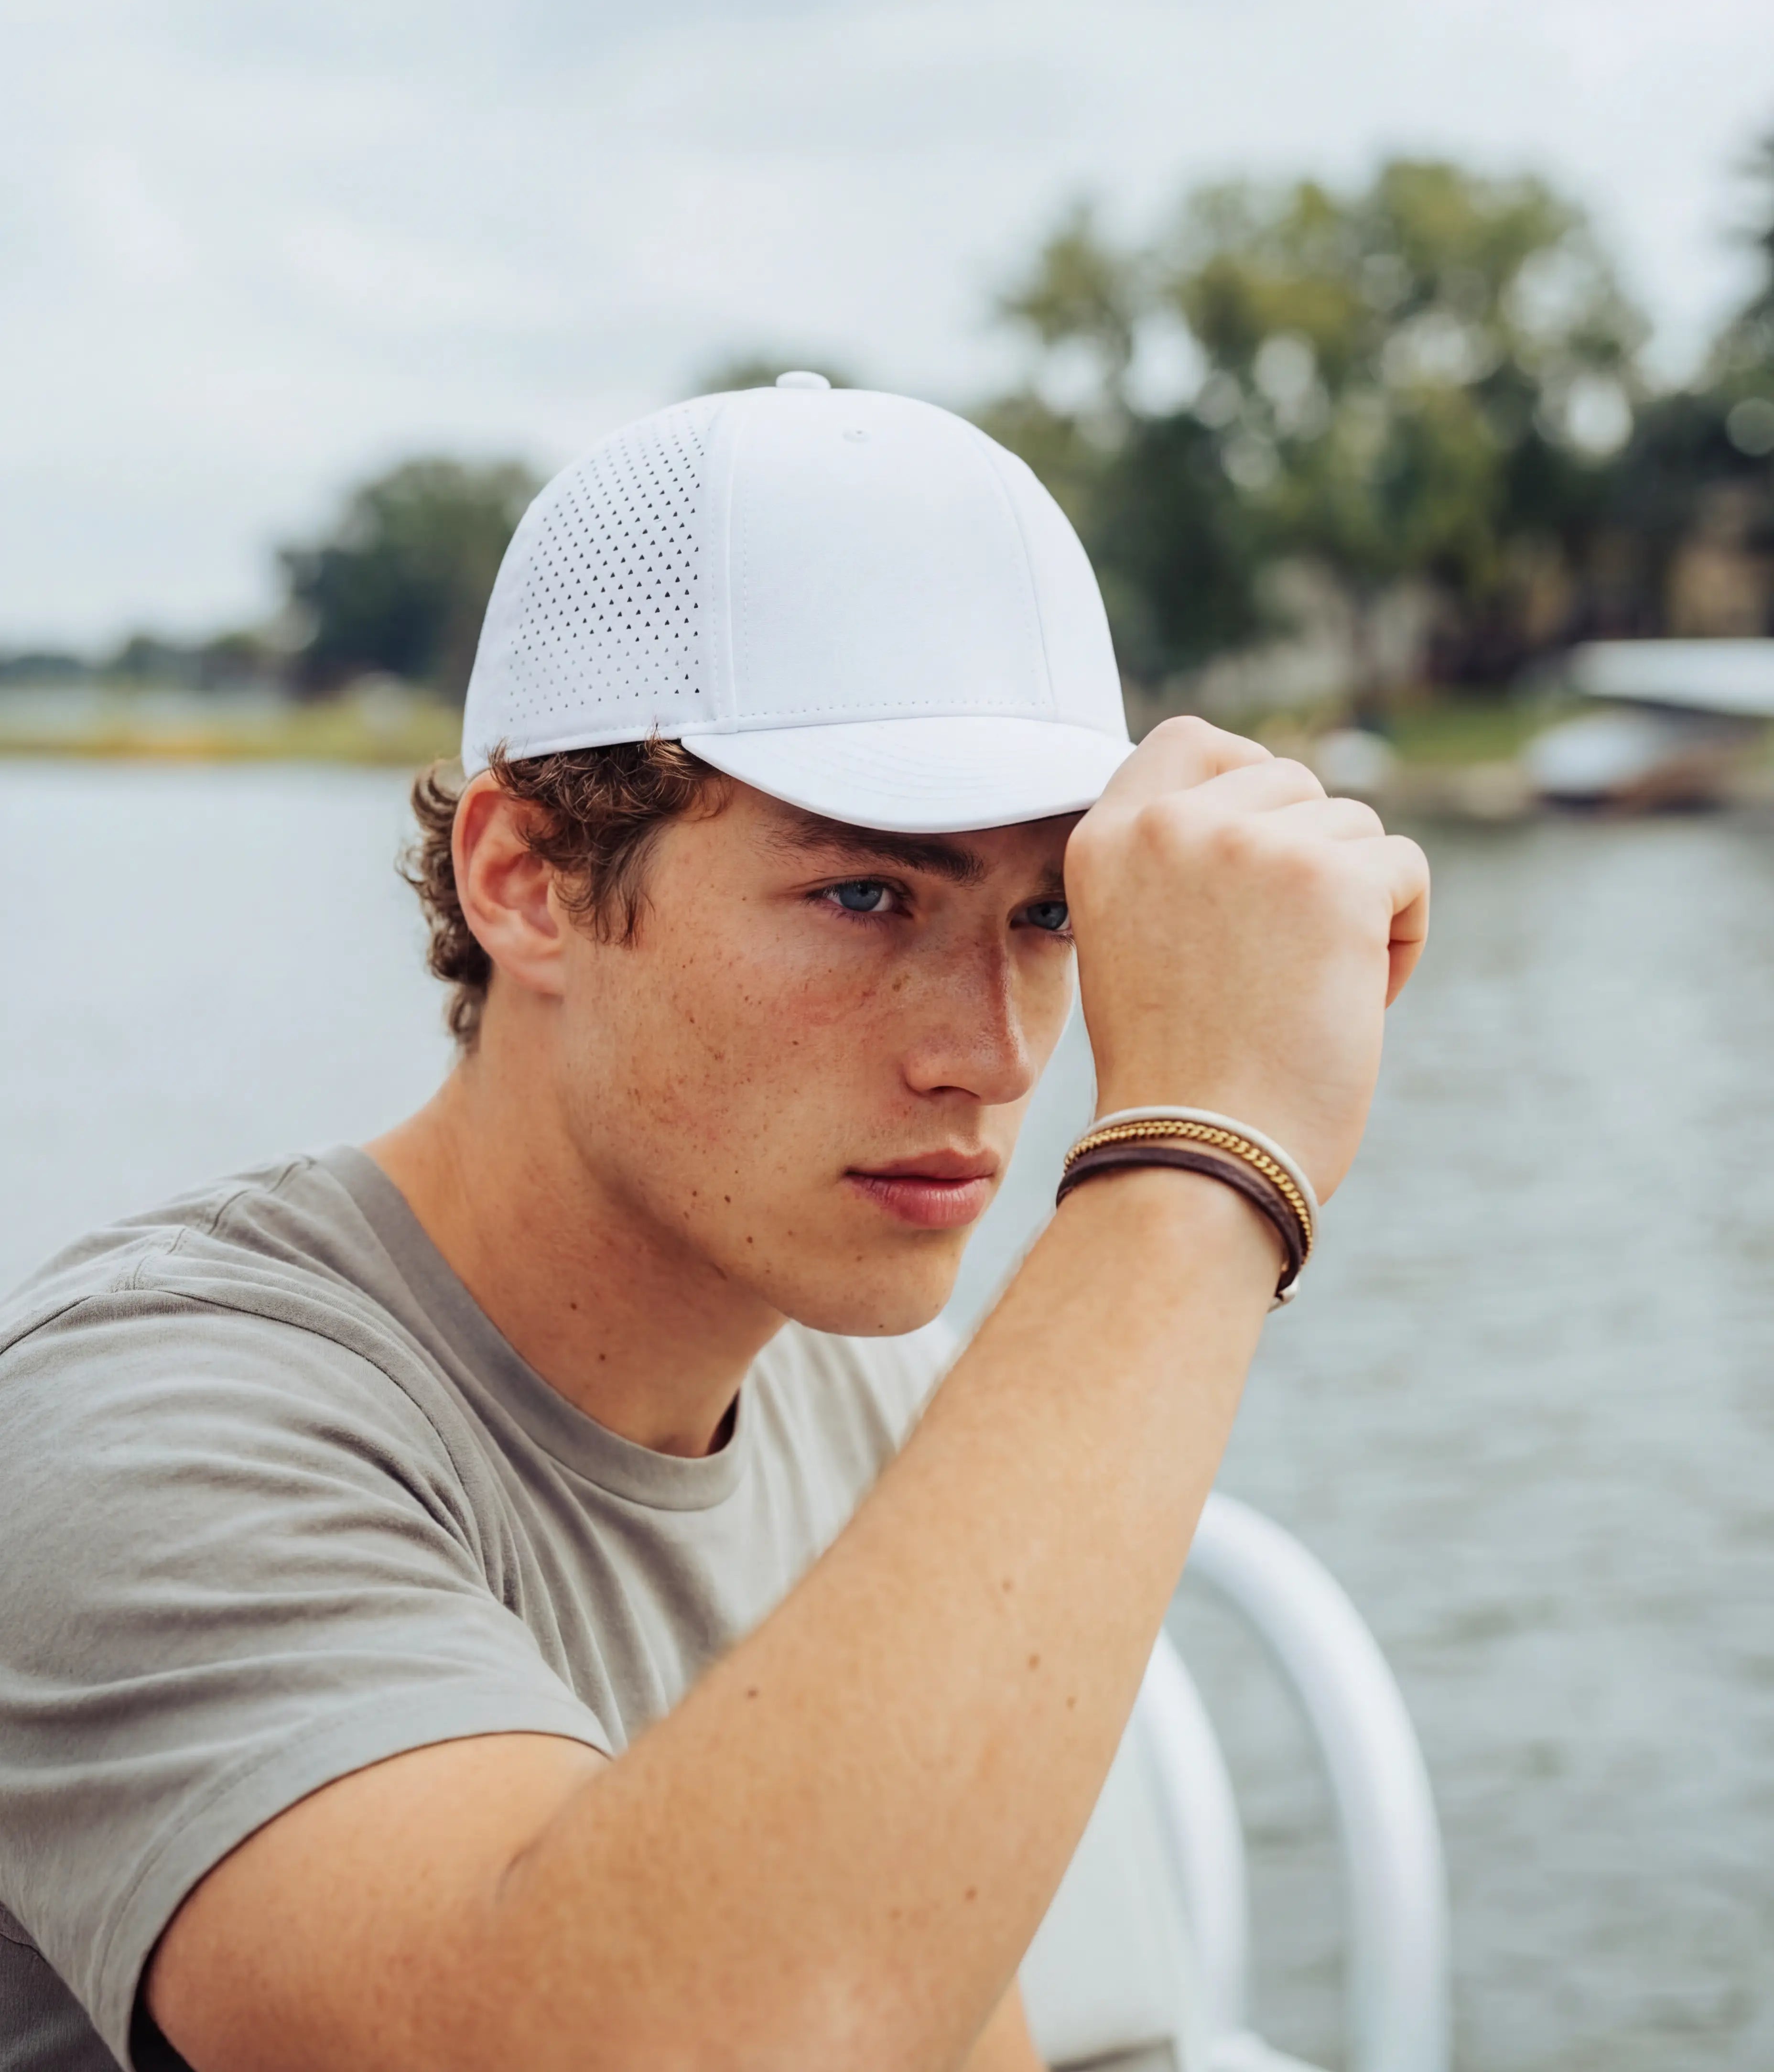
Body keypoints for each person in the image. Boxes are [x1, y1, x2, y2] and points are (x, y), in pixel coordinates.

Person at [0, 374, 1428, 2072]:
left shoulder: (873, 1388)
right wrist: (1205, 1158)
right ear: (523, 875)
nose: (993, 1051)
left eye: (1050, 914)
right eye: (864, 895)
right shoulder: (142, 1439)